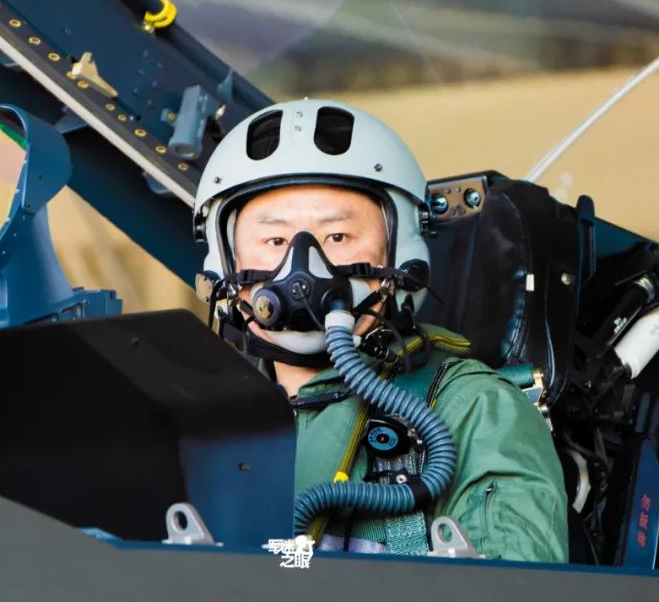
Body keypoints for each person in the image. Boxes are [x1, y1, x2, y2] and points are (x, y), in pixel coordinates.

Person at [191, 98, 568, 562]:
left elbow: (517, 585)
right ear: (226, 264)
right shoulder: (200, 421)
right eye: (275, 240)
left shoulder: (475, 412)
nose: (303, 269)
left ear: (400, 255)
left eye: (337, 237)